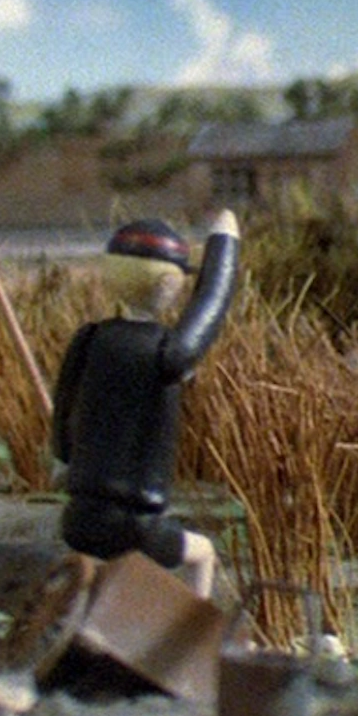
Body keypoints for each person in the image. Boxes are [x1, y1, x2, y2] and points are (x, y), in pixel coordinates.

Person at [51, 211, 240, 598]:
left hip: (79, 517)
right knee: (203, 553)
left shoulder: (90, 339)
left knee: (100, 572)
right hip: (137, 525)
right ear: (170, 283)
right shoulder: (168, 353)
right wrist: (224, 245)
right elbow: (211, 304)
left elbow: (63, 412)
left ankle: (91, 616)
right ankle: (193, 628)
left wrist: (64, 459)